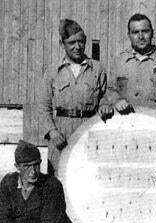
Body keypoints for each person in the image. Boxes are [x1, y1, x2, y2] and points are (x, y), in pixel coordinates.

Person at [40, 19, 112, 175]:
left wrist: (105, 104)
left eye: (81, 41)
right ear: (62, 43)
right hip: (61, 132)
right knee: (58, 181)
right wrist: (52, 131)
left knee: (86, 177)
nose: (77, 47)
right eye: (71, 42)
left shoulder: (98, 69)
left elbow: (105, 96)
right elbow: (43, 107)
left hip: (88, 130)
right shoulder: (53, 71)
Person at [106, 13, 156, 123]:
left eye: (145, 31)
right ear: (129, 35)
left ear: (152, 33)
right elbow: (110, 90)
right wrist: (117, 100)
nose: (141, 37)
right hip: (125, 125)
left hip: (155, 126)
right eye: (135, 32)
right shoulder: (118, 61)